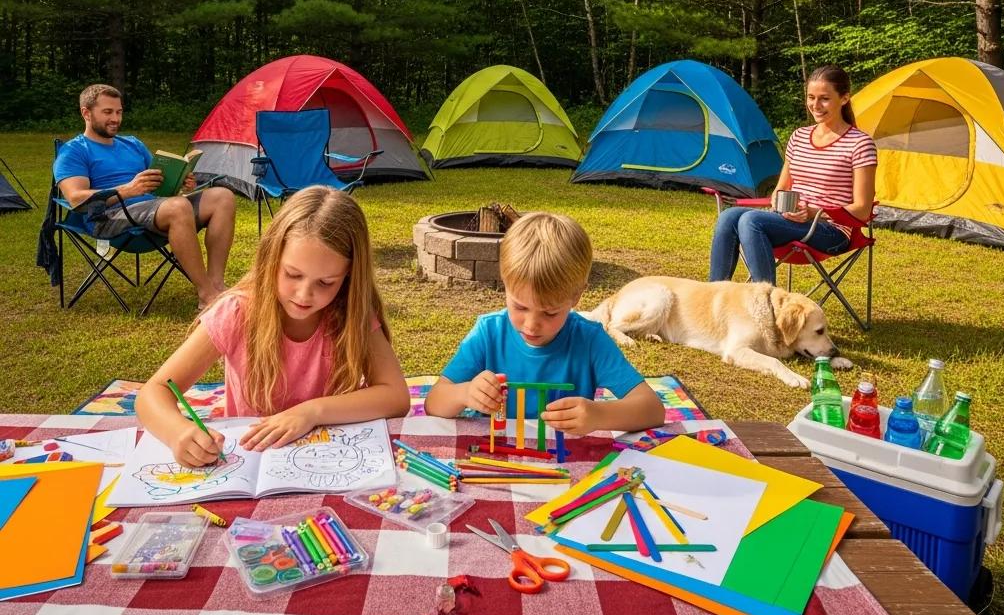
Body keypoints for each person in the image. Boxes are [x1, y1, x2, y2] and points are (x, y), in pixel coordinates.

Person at [136, 186, 410, 467]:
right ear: (271, 259)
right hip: (248, 461)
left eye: (326, 282)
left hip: (327, 458)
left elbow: (396, 395)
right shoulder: (237, 311)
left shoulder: (350, 314)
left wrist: (312, 412)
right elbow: (154, 392)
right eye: (293, 274)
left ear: (349, 277)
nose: (304, 295)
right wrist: (178, 432)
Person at [424, 211, 664, 436]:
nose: (531, 325)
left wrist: (599, 415)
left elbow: (652, 409)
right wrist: (465, 393)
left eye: (550, 313)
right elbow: (434, 403)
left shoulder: (589, 340)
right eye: (519, 307)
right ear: (505, 284)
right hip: (494, 455)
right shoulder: (488, 333)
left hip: (565, 465)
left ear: (576, 297)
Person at [53, 83, 236, 307]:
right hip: (110, 216)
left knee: (223, 197)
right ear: (86, 113)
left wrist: (180, 182)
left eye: (119, 112)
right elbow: (76, 198)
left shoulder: (132, 143)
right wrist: (128, 189)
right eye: (107, 112)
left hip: (153, 209)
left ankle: (216, 283)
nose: (115, 119)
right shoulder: (74, 151)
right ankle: (207, 295)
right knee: (178, 208)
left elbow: (157, 185)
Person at [709, 64, 877, 284]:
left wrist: (812, 212)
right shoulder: (799, 137)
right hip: (790, 221)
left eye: (824, 98)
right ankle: (713, 298)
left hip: (832, 230)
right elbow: (781, 189)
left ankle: (767, 305)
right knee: (728, 216)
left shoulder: (860, 144)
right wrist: (783, 208)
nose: (815, 106)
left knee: (751, 220)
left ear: (844, 98)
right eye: (811, 97)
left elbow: (862, 210)